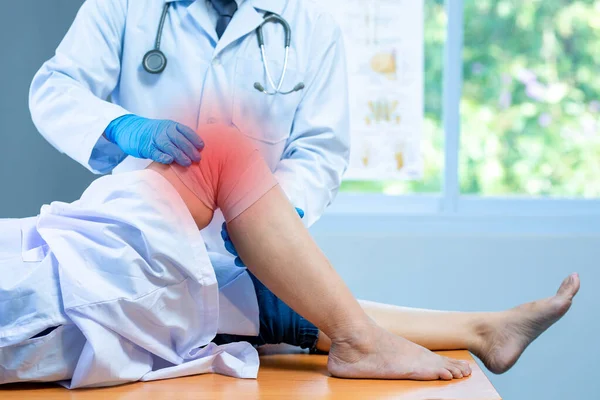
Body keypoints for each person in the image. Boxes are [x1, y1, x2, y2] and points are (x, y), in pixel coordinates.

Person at [0, 125, 580, 388]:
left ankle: (482, 330)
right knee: (217, 154)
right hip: (42, 287)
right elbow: (60, 91)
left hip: (39, 256)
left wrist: (277, 215)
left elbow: (321, 138)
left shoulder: (304, 19)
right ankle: (361, 342)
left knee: (240, 296)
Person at [28, 0, 350, 340]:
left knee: (310, 335)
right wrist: (119, 126)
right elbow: (57, 88)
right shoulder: (122, 6)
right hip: (138, 255)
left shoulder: (312, 24)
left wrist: (279, 209)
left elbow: (320, 148)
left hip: (250, 270)